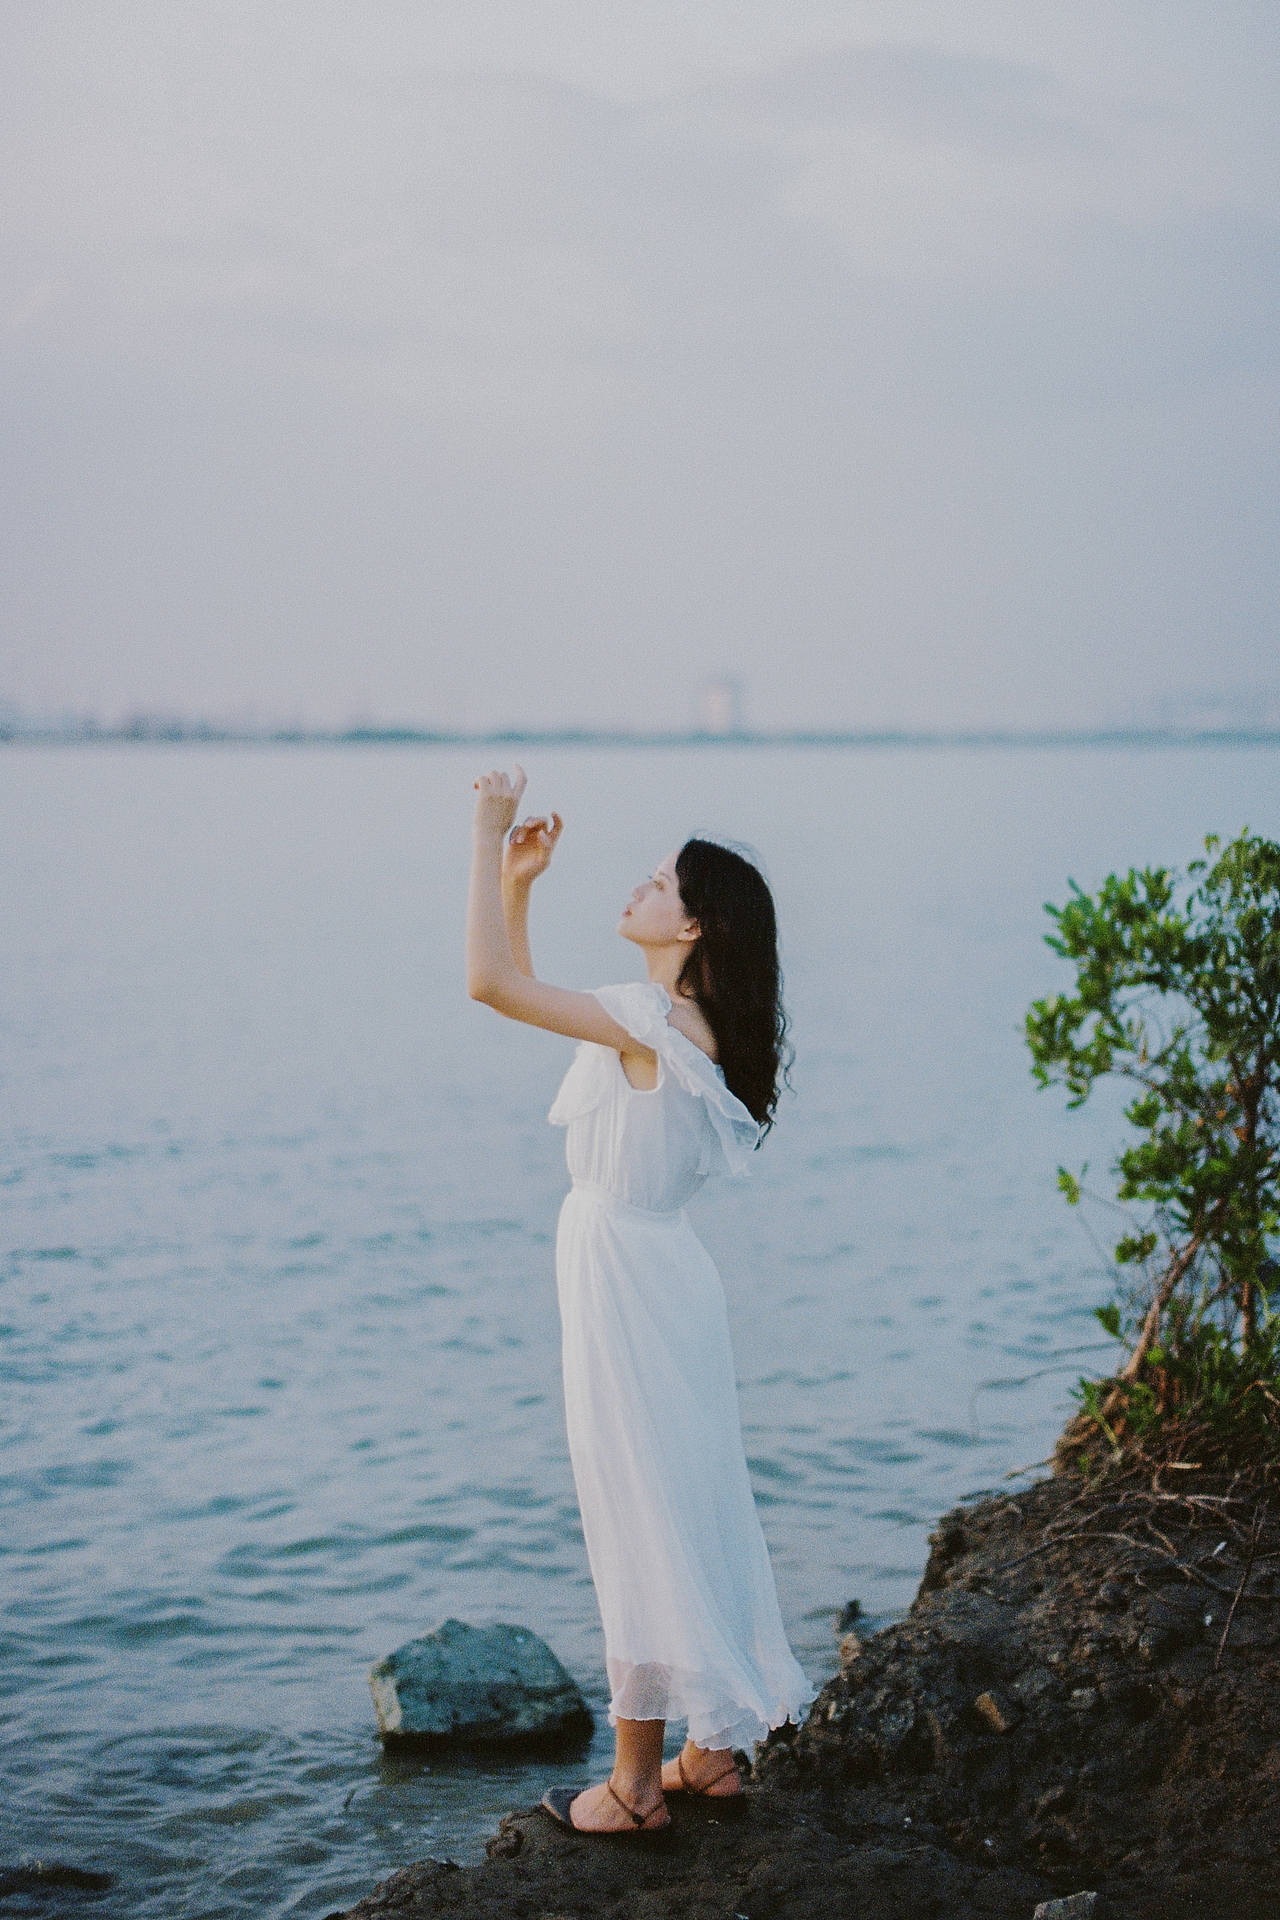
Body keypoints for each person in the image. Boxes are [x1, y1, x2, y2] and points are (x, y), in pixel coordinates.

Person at [466, 766, 814, 1836]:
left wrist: (484, 836)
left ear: (694, 923)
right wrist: (522, 885)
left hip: (624, 1275)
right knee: (694, 1498)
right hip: (665, 1275)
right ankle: (708, 1755)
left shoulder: (640, 1016)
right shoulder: (692, 1026)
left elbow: (489, 985)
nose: (635, 887)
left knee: (635, 1506)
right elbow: (525, 981)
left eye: (657, 882)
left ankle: (630, 1784)